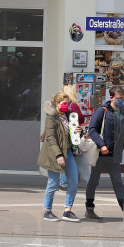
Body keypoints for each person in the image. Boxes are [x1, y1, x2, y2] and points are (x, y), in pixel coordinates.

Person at [85, 86, 124, 221]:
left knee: (118, 182)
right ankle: (89, 209)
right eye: (118, 98)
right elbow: (92, 130)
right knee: (94, 182)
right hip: (100, 155)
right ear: (111, 97)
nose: (121, 101)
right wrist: (102, 145)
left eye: (122, 98)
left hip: (115, 155)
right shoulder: (102, 111)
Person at [39, 92, 79, 222]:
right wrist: (58, 155)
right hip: (54, 154)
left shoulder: (69, 116)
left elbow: (71, 135)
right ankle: (47, 211)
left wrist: (79, 131)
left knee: (73, 180)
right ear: (57, 103)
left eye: (68, 103)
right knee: (53, 183)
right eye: (64, 103)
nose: (67, 106)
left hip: (68, 152)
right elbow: (50, 138)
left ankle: (67, 210)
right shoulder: (51, 117)